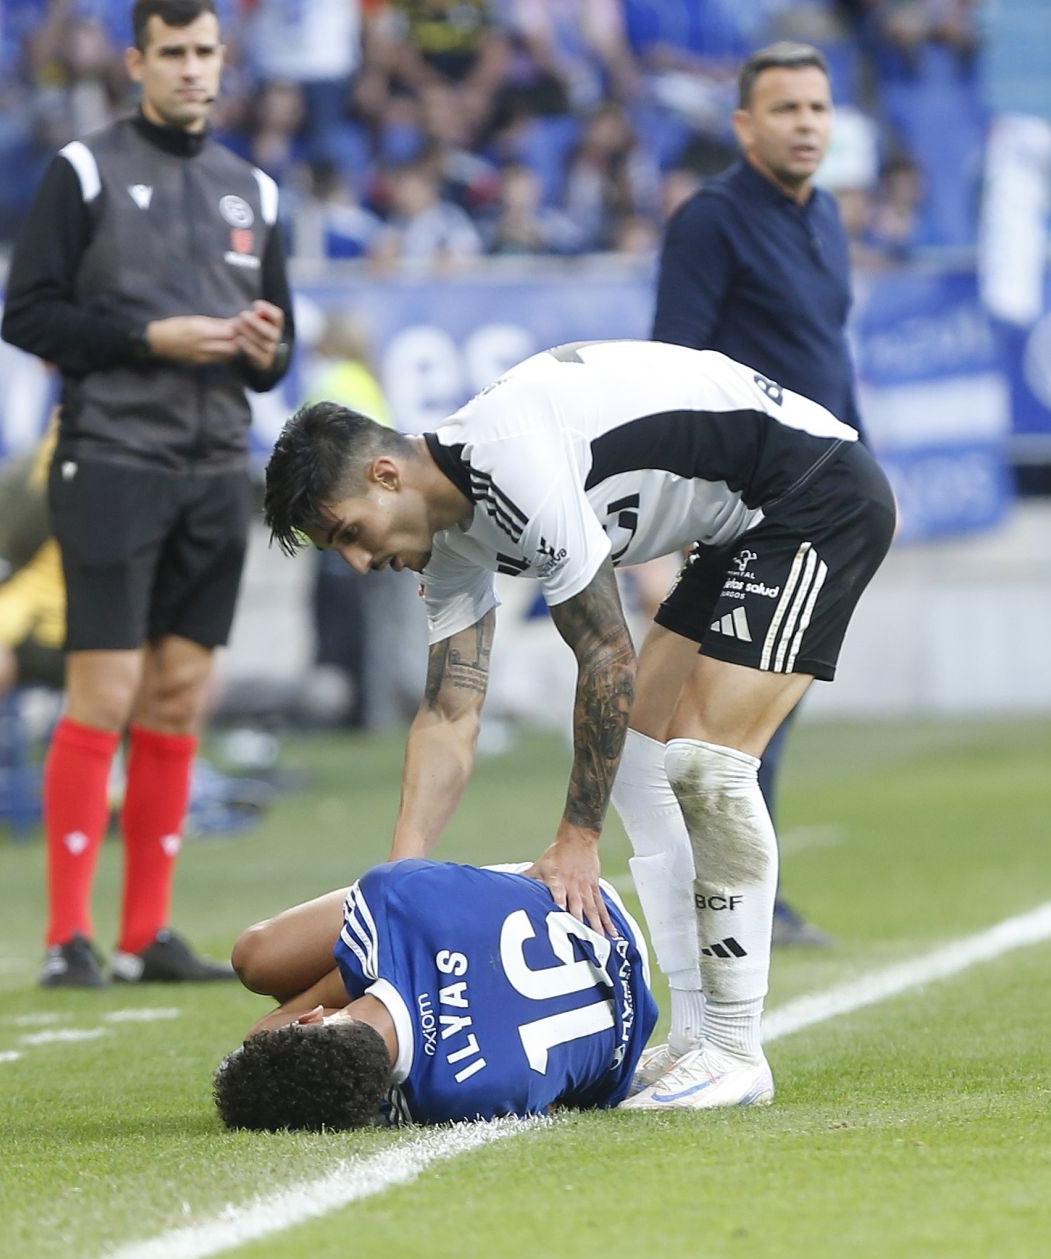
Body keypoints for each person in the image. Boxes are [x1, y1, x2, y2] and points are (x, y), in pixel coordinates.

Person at [262, 338, 897, 1109]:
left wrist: (578, 841)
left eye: (349, 534)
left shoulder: (511, 463)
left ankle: (735, 1046)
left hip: (811, 493)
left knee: (706, 762)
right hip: (738, 528)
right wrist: (398, 893)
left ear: (385, 475)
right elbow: (450, 711)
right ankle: (698, 1036)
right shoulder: (451, 535)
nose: (359, 563)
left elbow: (606, 655)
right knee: (636, 757)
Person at [1, 0, 294, 988]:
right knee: (108, 690)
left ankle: (147, 931)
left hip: (216, 466)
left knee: (179, 693)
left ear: (223, 59)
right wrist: (146, 339)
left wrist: (265, 350)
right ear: (136, 62)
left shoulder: (254, 186)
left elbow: (276, 344)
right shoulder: (82, 170)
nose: (191, 69)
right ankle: (65, 936)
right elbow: (28, 315)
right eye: (173, 52)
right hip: (113, 457)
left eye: (206, 51)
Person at [651, 42, 863, 950]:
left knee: (768, 708)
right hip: (752, 503)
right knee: (732, 716)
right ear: (744, 124)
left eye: (818, 108)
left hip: (825, 497)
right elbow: (676, 367)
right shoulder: (711, 220)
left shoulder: (828, 217)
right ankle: (730, 903)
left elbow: (828, 360)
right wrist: (676, 524)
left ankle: (742, 897)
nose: (807, 124)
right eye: (786, 110)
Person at [217, 859, 657, 1128]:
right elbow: (261, 1034)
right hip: (589, 905)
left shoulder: (449, 1101)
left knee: (267, 973)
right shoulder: (394, 901)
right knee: (256, 957)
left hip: (628, 1027)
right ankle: (365, 972)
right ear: (313, 1018)